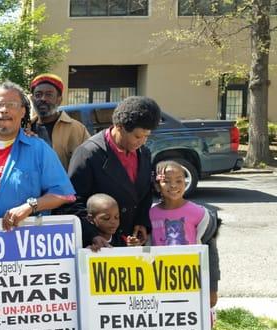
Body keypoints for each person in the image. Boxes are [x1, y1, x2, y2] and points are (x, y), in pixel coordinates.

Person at [0, 81, 75, 230]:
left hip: (23, 244)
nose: (4, 110)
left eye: (11, 105)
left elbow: (64, 194)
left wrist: (30, 206)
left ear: (23, 111)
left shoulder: (39, 149)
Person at [67, 96, 162, 247]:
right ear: (119, 127)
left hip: (131, 243)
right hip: (98, 245)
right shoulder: (88, 153)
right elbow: (72, 202)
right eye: (137, 136)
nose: (142, 142)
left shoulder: (144, 152)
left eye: (146, 136)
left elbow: (144, 193)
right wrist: (93, 235)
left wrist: (142, 222)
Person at [149, 160, 220, 308]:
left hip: (192, 282)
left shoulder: (200, 213)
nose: (173, 185)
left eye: (179, 180)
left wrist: (212, 288)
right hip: (158, 282)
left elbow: (211, 253)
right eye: (166, 181)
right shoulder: (150, 214)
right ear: (157, 185)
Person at [30, 73, 90, 170]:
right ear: (32, 99)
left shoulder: (76, 129)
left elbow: (89, 164)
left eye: (49, 95)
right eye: (38, 95)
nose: (43, 99)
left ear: (59, 100)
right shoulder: (24, 128)